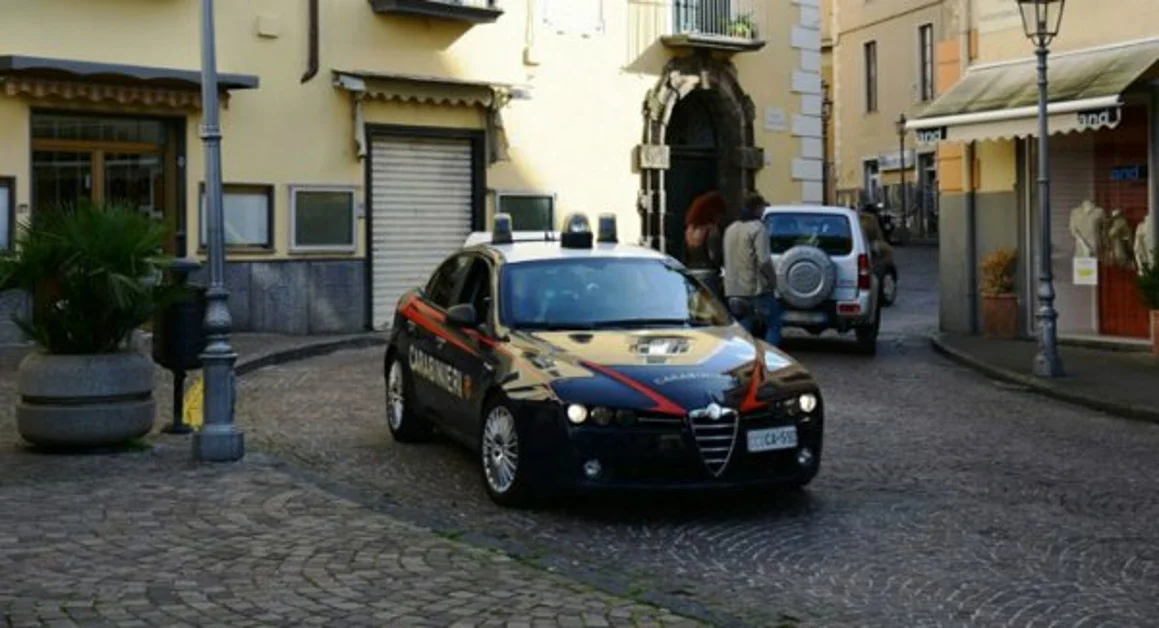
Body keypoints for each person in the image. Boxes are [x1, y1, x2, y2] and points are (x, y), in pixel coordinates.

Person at [722, 192, 781, 346]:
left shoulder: (730, 229)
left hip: (733, 289)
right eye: (762, 208)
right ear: (757, 208)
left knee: (743, 327)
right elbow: (763, 260)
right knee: (773, 325)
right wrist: (773, 281)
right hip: (755, 289)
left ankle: (740, 359)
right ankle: (769, 360)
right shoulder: (758, 228)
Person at [682, 191, 726, 300]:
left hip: (692, 272)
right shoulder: (711, 230)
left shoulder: (689, 229)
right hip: (708, 273)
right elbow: (714, 255)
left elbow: (684, 254)